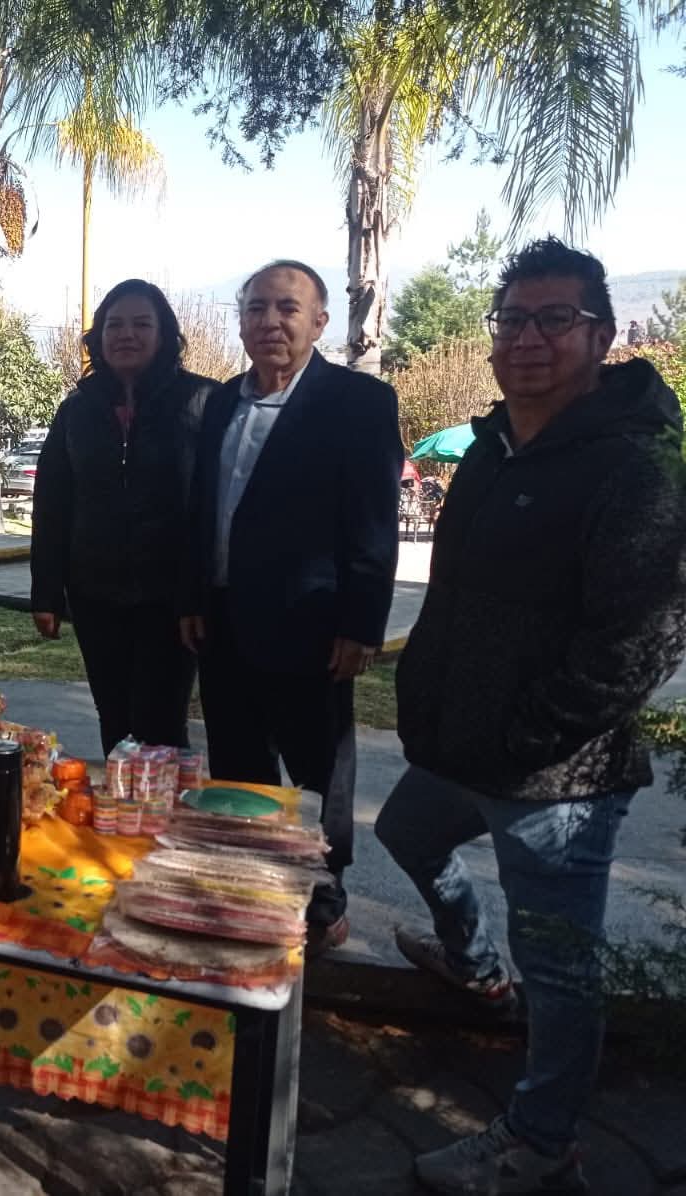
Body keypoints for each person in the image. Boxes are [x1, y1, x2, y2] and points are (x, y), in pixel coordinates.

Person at [377, 238, 686, 1196]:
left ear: (604, 335)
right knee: (404, 831)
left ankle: (542, 1142)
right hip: (468, 744)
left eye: (556, 319)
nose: (530, 339)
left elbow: (641, 641)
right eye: (513, 320)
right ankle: (472, 965)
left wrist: (532, 737)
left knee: (560, 969)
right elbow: (455, 604)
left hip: (559, 774)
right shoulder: (490, 450)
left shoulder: (634, 468)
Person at [179, 259, 402, 955]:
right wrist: (192, 597)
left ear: (319, 322)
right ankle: (252, 879)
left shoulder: (359, 402)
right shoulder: (218, 403)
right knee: (239, 761)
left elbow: (372, 524)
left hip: (311, 624)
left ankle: (323, 889)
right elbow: (201, 511)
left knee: (317, 767)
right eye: (256, 309)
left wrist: (361, 625)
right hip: (221, 620)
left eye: (286, 308)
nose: (270, 322)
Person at [31, 279, 214, 755]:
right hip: (95, 594)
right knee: (113, 716)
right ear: (98, 336)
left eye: (141, 324)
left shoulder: (204, 402)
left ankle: (163, 823)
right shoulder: (76, 410)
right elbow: (51, 503)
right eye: (115, 325)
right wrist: (46, 591)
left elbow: (213, 505)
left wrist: (200, 590)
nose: (126, 335)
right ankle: (121, 820)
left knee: (160, 719)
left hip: (172, 597)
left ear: (164, 333)